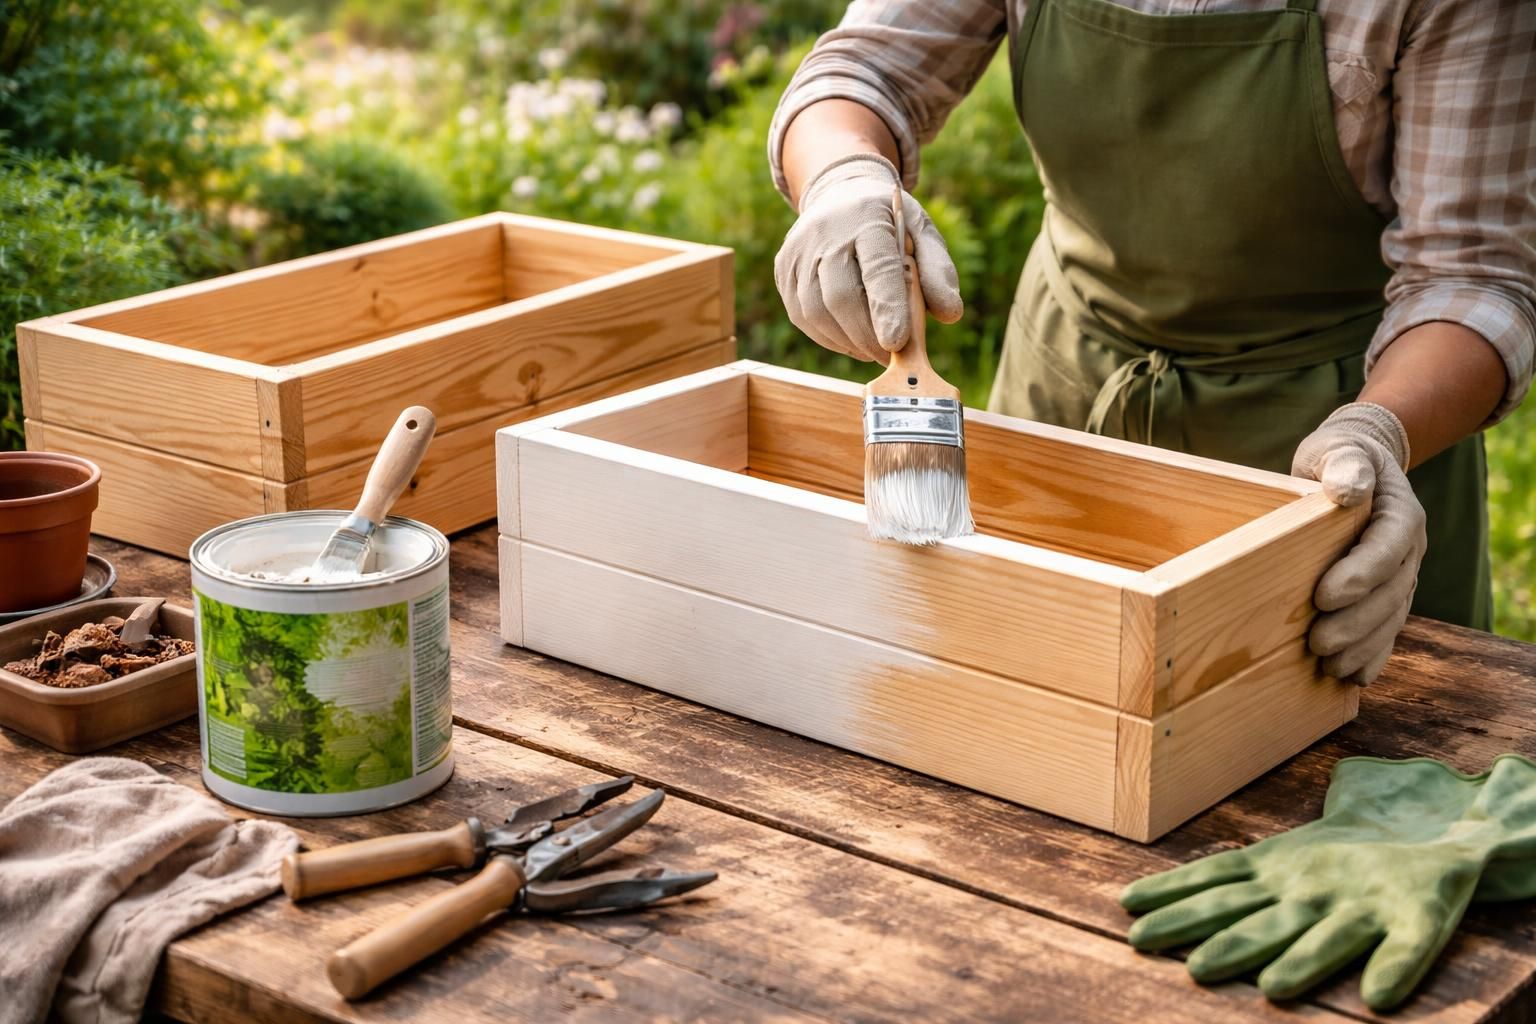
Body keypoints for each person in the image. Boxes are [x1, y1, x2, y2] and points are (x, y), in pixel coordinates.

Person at [770, 0, 1534, 684]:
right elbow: (865, 70)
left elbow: (1473, 276)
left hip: (1328, 455)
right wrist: (843, 177)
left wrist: (1377, 436)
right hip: (1061, 408)